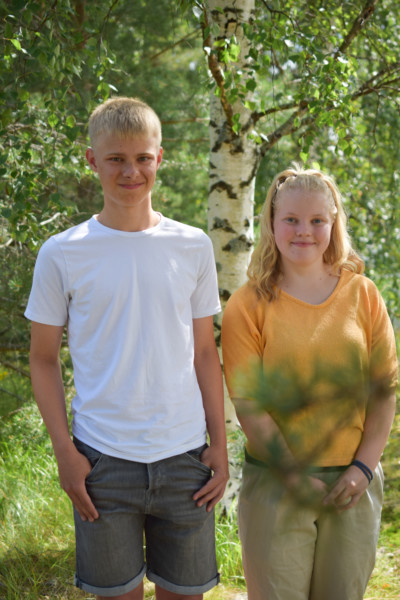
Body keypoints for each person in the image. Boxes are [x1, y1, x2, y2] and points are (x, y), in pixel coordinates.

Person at [25, 96, 229, 600]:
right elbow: (43, 359)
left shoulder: (193, 245)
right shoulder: (62, 253)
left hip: (185, 457)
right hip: (101, 460)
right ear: (92, 160)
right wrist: (65, 453)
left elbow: (205, 353)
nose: (131, 171)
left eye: (142, 158)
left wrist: (220, 445)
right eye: (115, 158)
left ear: (160, 158)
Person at [221, 165, 398, 600]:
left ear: (334, 222)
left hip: (352, 483)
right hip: (277, 482)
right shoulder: (248, 305)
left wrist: (362, 468)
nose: (304, 230)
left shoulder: (363, 294)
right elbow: (249, 405)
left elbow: (384, 392)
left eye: (317, 219)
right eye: (292, 219)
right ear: (272, 223)